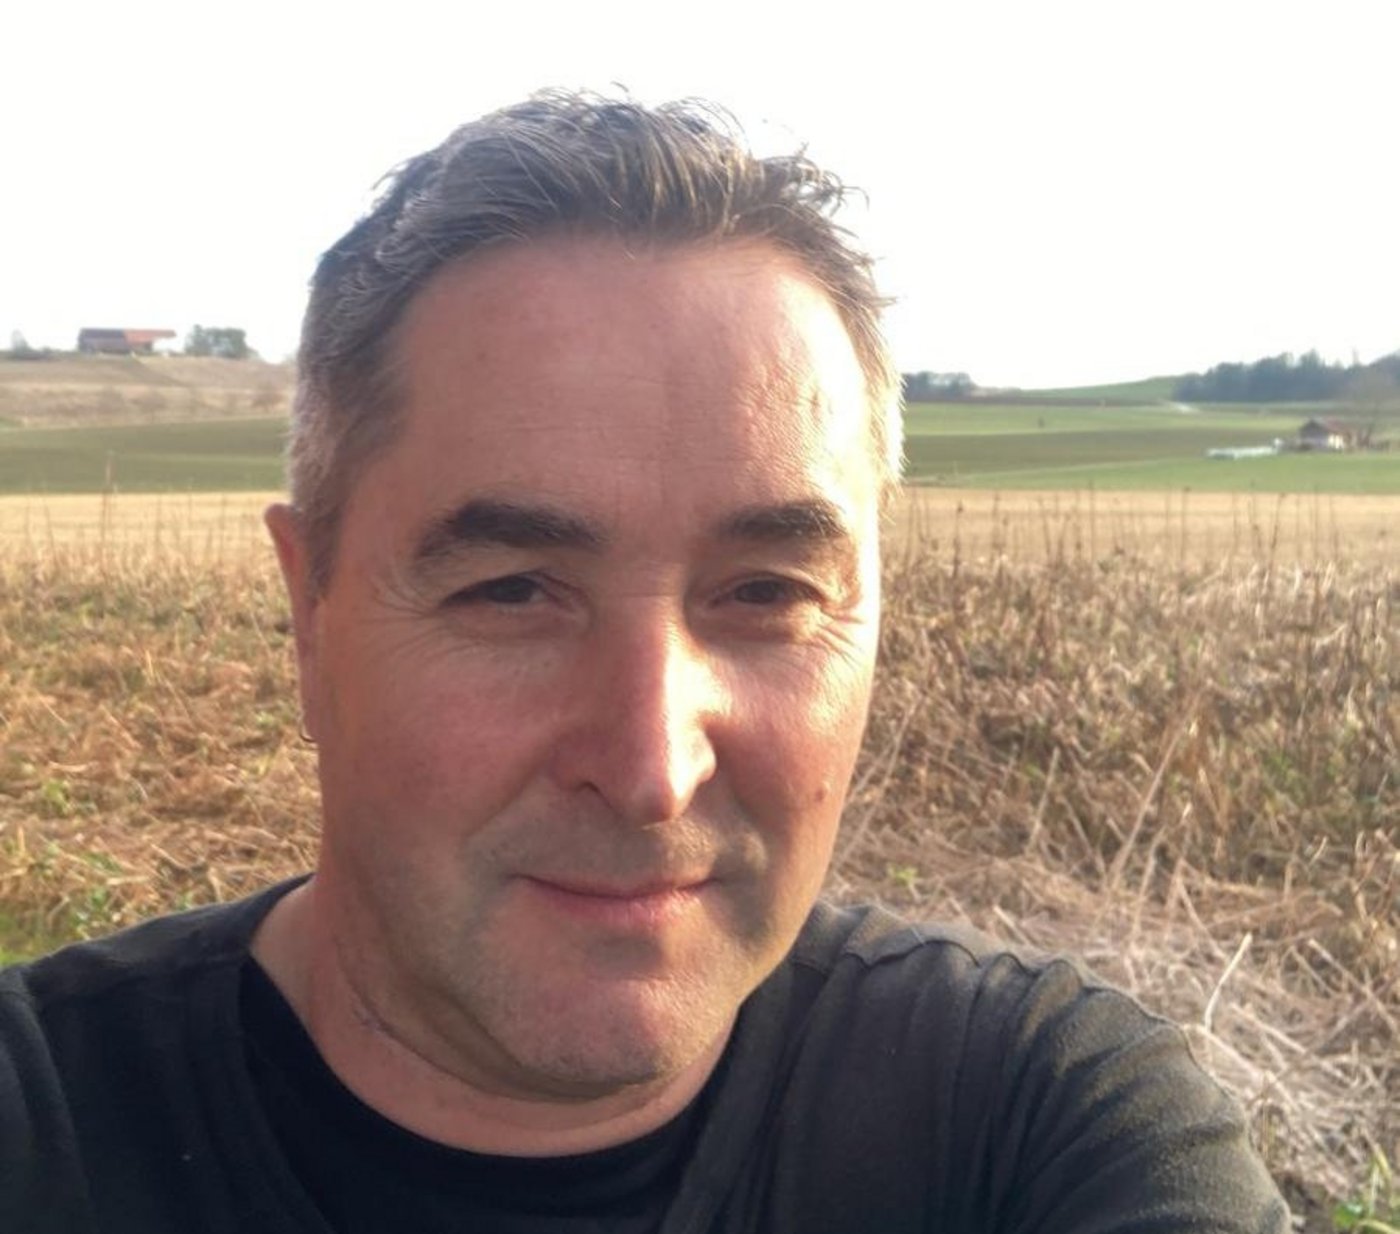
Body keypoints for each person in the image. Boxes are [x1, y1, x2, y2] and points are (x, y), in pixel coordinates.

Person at [0, 92, 1287, 1233]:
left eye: (765, 592)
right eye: (512, 590)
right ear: (308, 612)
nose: (648, 767)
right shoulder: (37, 1130)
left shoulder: (1040, 1127)